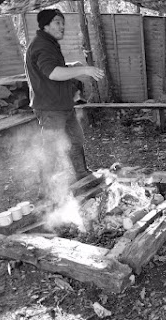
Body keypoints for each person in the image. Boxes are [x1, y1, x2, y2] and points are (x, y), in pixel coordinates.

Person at [25, 9, 105, 194]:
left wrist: (71, 66)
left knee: (75, 139)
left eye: (63, 23)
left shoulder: (48, 44)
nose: (62, 27)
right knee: (52, 147)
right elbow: (53, 73)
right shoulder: (42, 46)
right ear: (45, 25)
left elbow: (50, 68)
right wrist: (85, 70)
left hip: (62, 104)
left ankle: (82, 175)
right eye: (57, 23)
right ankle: (46, 191)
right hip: (50, 108)